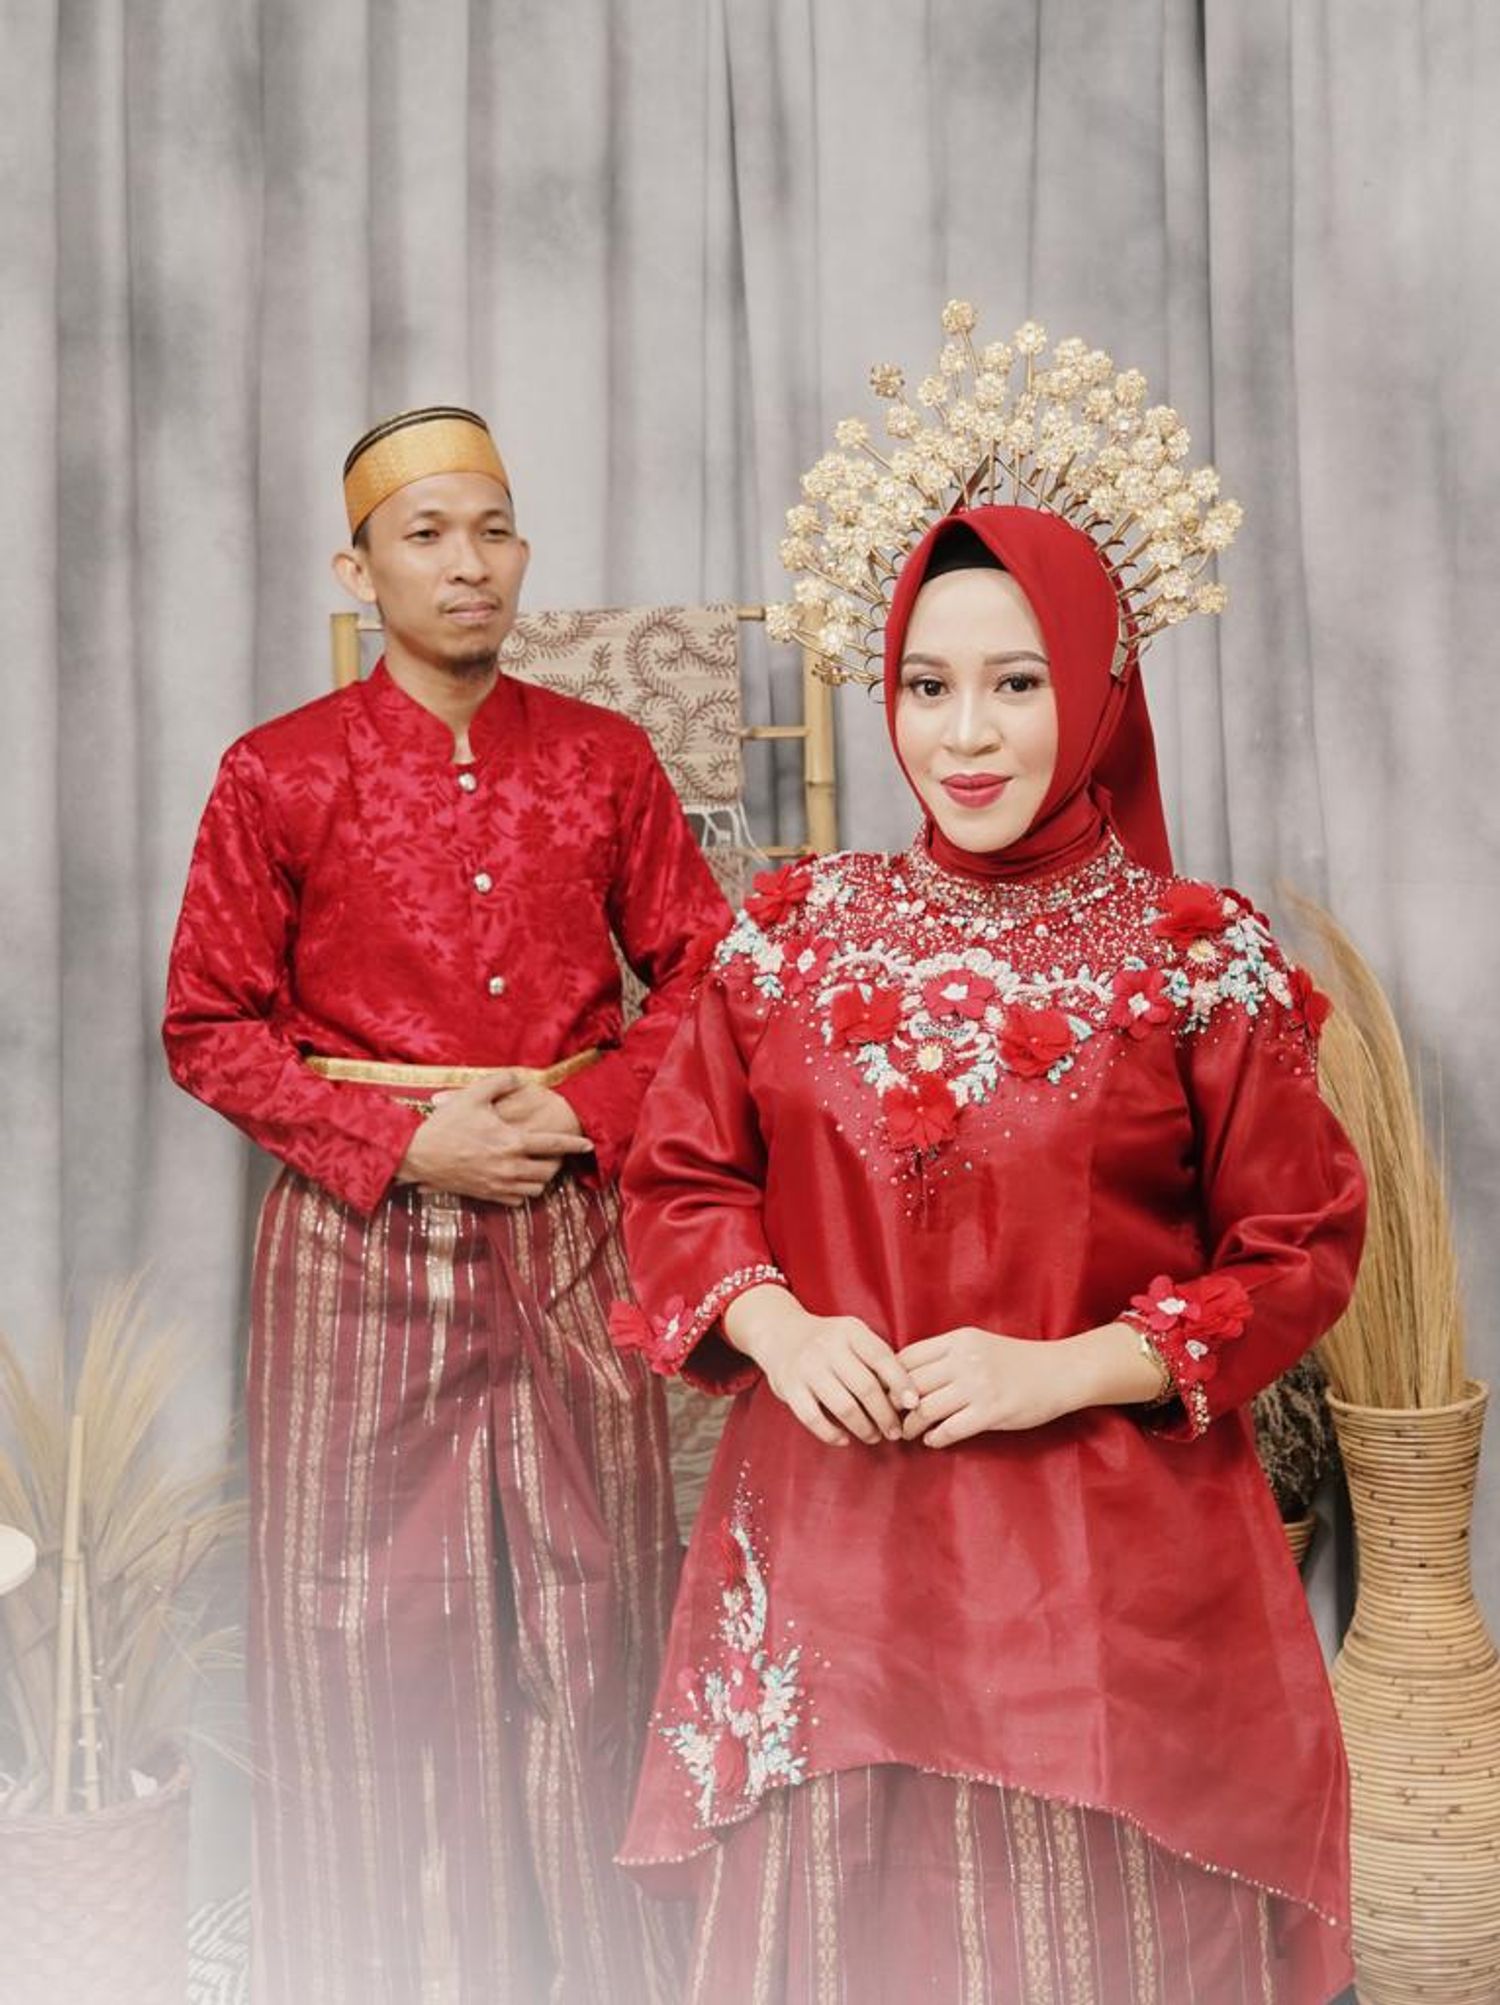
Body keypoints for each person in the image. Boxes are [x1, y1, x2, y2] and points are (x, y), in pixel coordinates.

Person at [612, 500, 1366, 2001]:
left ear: (1097, 684)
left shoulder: (1194, 956)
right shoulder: (789, 936)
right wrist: (778, 1324)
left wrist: (1066, 1368)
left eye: (1017, 682)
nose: (966, 734)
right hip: (833, 1554)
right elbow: (679, 1178)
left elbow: (1302, 1243)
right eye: (927, 684)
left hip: (1095, 1569)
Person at [163, 406, 727, 2004]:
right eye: (426, 535)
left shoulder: (603, 760)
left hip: (566, 1222)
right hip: (357, 1242)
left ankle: (598, 1972)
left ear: (522, 551)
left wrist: (584, 1109)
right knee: (368, 1630)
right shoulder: (277, 771)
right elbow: (207, 1024)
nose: (467, 562)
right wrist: (406, 1145)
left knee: (594, 1603)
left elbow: (707, 970)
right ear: (360, 569)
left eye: (491, 528)